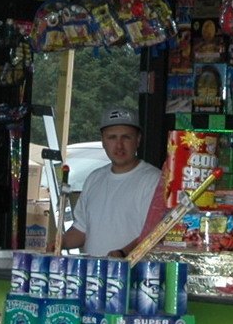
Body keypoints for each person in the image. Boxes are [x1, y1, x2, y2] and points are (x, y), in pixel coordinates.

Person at [61, 107, 161, 259]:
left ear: (138, 139)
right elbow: (81, 230)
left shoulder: (154, 180)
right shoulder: (94, 179)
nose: (119, 145)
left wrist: (123, 253)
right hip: (93, 274)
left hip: (132, 275)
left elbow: (158, 233)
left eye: (126, 137)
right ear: (103, 141)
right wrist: (59, 242)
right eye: (112, 137)